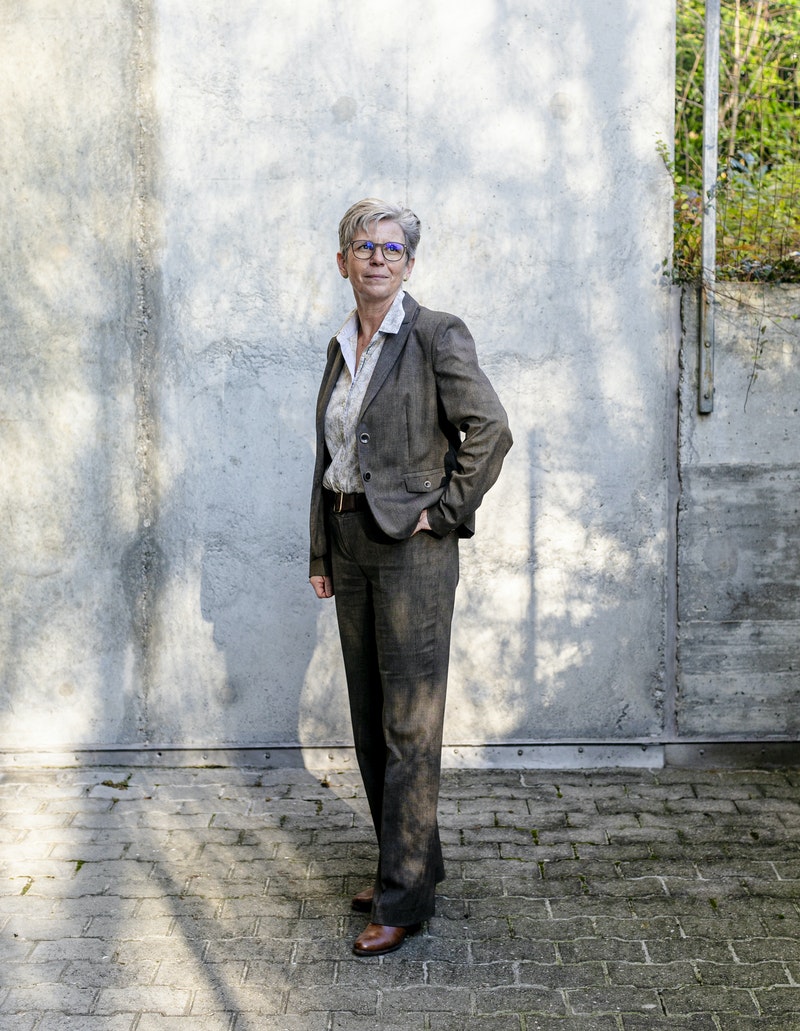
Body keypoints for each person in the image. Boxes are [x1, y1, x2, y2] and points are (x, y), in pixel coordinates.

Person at [309, 198, 512, 956]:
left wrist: (446, 511)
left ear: (409, 264)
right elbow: (329, 455)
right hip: (349, 540)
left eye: (391, 248)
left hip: (412, 553)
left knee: (409, 725)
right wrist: (322, 551)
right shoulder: (342, 345)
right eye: (364, 246)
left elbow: (490, 428)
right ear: (343, 262)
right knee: (370, 719)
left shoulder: (435, 333)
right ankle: (411, 865)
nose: (377, 258)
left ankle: (403, 897)